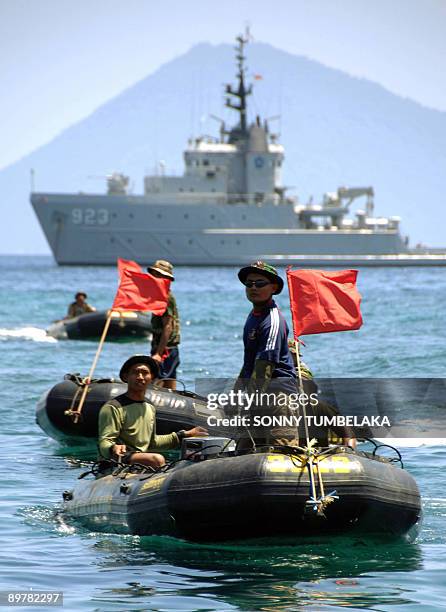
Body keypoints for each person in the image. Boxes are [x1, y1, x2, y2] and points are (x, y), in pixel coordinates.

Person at [98, 355, 207, 468]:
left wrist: (183, 435)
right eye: (135, 373)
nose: (140, 377)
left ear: (152, 378)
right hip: (117, 461)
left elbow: (152, 442)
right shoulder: (113, 407)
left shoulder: (149, 407)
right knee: (157, 459)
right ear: (126, 377)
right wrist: (113, 447)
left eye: (145, 373)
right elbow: (105, 442)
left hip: (139, 462)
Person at [234, 261, 298, 449]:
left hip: (279, 397)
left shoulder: (272, 321)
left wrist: (248, 403)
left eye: (260, 283)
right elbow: (249, 363)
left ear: (274, 287)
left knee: (282, 452)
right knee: (243, 449)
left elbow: (264, 367)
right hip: (259, 393)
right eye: (249, 284)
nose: (253, 287)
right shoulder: (253, 315)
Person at [287, 339, 356, 449]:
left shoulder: (318, 407)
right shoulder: (278, 407)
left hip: (318, 456)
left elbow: (349, 436)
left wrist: (348, 452)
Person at [146, 260, 180, 390]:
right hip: (162, 346)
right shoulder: (158, 296)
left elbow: (168, 326)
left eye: (159, 275)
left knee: (157, 383)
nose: (155, 278)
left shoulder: (166, 297)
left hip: (166, 349)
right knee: (169, 382)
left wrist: (159, 353)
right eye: (154, 274)